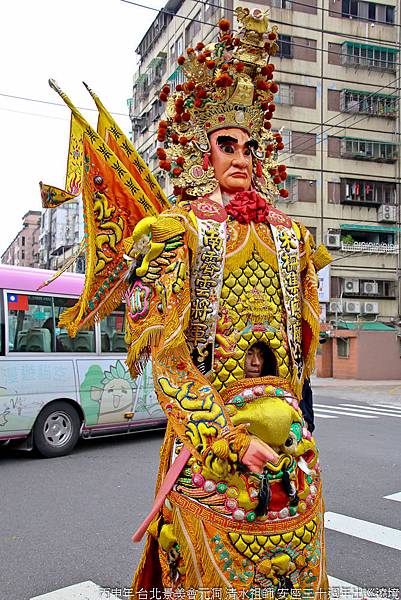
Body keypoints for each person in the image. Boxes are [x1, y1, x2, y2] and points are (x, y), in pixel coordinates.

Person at [43, 6, 332, 594]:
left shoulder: (290, 237)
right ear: (206, 155)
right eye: (228, 145)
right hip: (213, 452)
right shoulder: (181, 233)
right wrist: (226, 438)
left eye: (250, 146)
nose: (242, 158)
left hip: (289, 452)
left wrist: (292, 428)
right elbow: (172, 363)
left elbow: (300, 350)